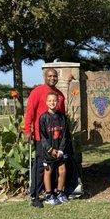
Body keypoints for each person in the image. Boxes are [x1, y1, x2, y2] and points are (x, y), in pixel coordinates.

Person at [24, 68, 65, 208]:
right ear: (45, 77)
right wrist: (27, 130)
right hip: (41, 137)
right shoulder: (37, 92)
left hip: (56, 138)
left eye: (55, 76)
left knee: (54, 166)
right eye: (50, 76)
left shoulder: (60, 95)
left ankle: (52, 192)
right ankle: (34, 195)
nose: (53, 78)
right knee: (41, 167)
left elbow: (62, 116)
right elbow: (29, 111)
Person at [39, 92, 69, 205]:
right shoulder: (43, 118)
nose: (52, 102)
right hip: (49, 151)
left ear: (58, 102)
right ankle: (48, 194)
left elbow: (65, 135)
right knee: (48, 172)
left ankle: (60, 192)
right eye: (50, 100)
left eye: (54, 100)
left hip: (60, 150)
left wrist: (61, 149)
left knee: (63, 170)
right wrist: (50, 149)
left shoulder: (62, 117)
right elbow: (43, 136)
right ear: (46, 102)